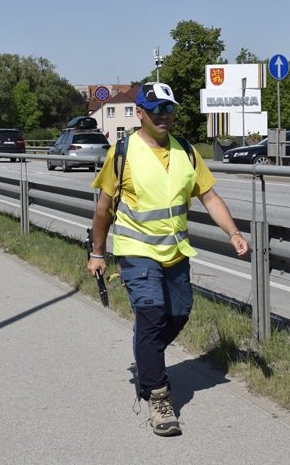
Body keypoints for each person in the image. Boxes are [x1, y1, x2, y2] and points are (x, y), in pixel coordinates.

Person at [87, 82, 248, 437]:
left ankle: (147, 356)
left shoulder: (187, 151)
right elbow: (103, 209)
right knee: (152, 313)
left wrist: (233, 232)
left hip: (176, 253)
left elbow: (209, 196)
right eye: (155, 108)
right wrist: (97, 253)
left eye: (169, 108)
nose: (163, 114)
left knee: (179, 313)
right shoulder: (122, 153)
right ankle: (158, 396)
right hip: (136, 252)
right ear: (140, 113)